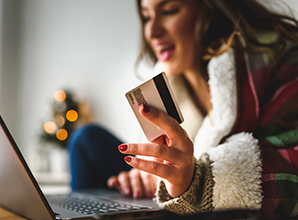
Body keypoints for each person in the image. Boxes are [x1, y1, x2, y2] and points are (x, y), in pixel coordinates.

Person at [67, 0, 298, 218]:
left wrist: (196, 182)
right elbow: (161, 166)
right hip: (172, 195)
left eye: (169, 11)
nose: (152, 32)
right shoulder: (170, 82)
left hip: (211, 201)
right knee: (86, 140)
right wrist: (147, 174)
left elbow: (292, 170)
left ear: (209, 9)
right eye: (146, 17)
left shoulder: (277, 59)